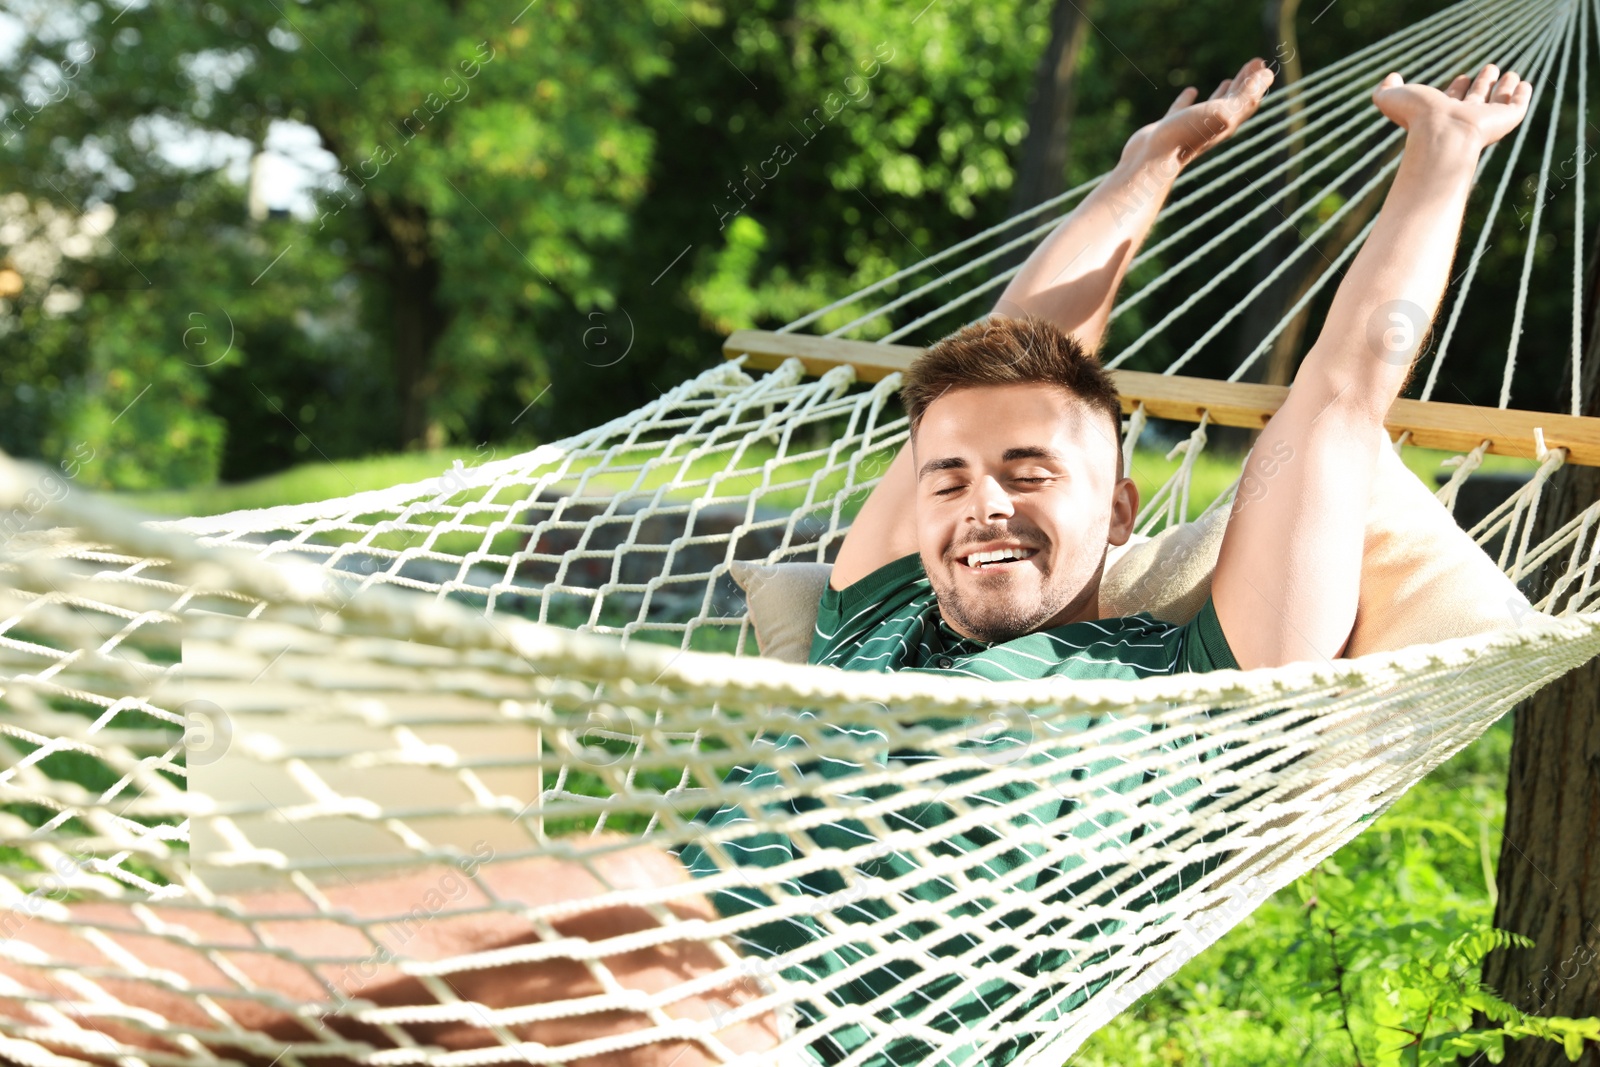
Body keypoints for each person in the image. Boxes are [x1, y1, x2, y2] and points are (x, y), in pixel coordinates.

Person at [0, 59, 1532, 1067]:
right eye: (949, 480)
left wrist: (1444, 168)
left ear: (1125, 513)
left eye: (1033, 480)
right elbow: (1011, 362)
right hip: (636, 965)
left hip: (770, 1009)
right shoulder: (872, 614)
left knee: (222, 966)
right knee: (288, 970)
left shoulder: (1191, 668)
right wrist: (1140, 175)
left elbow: (1344, 389)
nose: (983, 503)